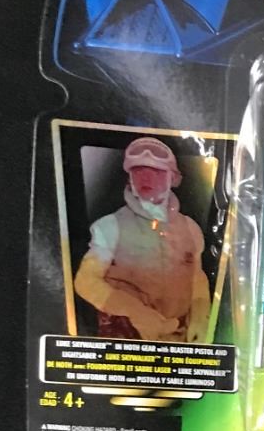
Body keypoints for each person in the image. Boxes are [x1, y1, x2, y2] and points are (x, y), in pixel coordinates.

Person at [73, 135, 210, 342]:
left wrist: (201, 317)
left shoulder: (190, 228)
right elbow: (86, 281)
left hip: (178, 336)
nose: (146, 177)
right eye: (138, 170)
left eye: (157, 171)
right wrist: (136, 312)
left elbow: (197, 278)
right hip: (126, 337)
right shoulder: (110, 226)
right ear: (129, 178)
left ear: (173, 178)